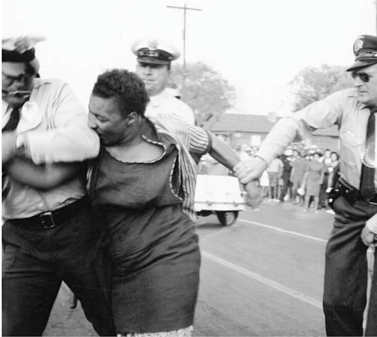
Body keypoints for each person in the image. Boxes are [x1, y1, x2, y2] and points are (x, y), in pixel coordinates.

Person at [85, 68, 252, 336]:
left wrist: (247, 176)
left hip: (170, 258)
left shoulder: (169, 130)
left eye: (102, 118)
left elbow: (209, 142)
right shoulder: (89, 144)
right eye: (90, 112)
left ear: (131, 118)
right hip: (117, 265)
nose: (92, 122)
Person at [234, 34, 377, 336]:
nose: (357, 82)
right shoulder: (346, 101)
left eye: (366, 75)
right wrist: (261, 159)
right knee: (337, 300)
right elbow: (294, 123)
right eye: (355, 75)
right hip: (351, 207)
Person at [2, 35, 114, 336]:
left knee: (113, 321)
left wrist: (17, 143)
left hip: (76, 229)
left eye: (26, 76)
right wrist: (44, 166)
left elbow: (84, 142)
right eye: (9, 78)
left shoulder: (55, 92)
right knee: (16, 330)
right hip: (21, 238)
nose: (20, 86)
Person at [132, 37, 196, 125]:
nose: (147, 72)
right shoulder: (120, 104)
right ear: (136, 68)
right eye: (143, 65)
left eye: (155, 67)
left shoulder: (180, 112)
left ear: (169, 73)